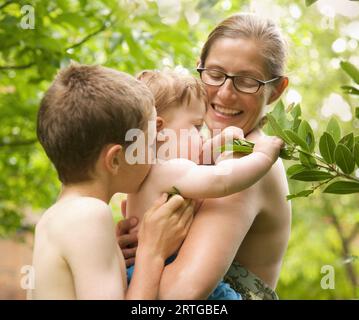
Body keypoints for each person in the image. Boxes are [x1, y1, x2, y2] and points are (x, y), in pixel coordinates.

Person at [118, 13, 291, 300]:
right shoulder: (198, 151)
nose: (225, 93)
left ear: (276, 91)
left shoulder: (246, 161)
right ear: (199, 68)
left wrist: (150, 252)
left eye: (247, 81)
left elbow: (181, 293)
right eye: (215, 74)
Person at [32, 63, 195, 300]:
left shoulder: (57, 218)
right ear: (116, 159)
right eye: (150, 144)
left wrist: (112, 253)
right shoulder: (89, 214)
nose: (155, 155)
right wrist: (153, 252)